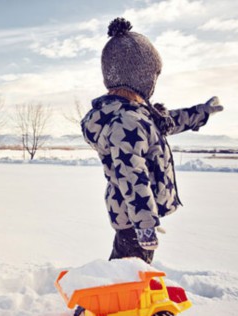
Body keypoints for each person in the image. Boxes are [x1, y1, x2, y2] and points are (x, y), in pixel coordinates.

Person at [81, 17, 224, 264]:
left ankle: (96, 299)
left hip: (132, 217)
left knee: (121, 271)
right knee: (130, 279)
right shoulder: (128, 122)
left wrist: (200, 112)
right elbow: (131, 174)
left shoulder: (138, 115)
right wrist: (145, 225)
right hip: (134, 220)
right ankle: (92, 302)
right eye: (153, 75)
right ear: (140, 77)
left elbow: (170, 121)